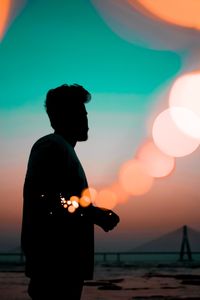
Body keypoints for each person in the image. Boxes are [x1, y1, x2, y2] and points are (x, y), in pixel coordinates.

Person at [21, 84, 120, 300]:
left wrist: (91, 210)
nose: (86, 121)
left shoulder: (62, 150)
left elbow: (60, 198)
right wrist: (93, 214)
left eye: (85, 115)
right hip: (55, 263)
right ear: (62, 116)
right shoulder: (51, 146)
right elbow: (46, 198)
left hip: (64, 264)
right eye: (80, 114)